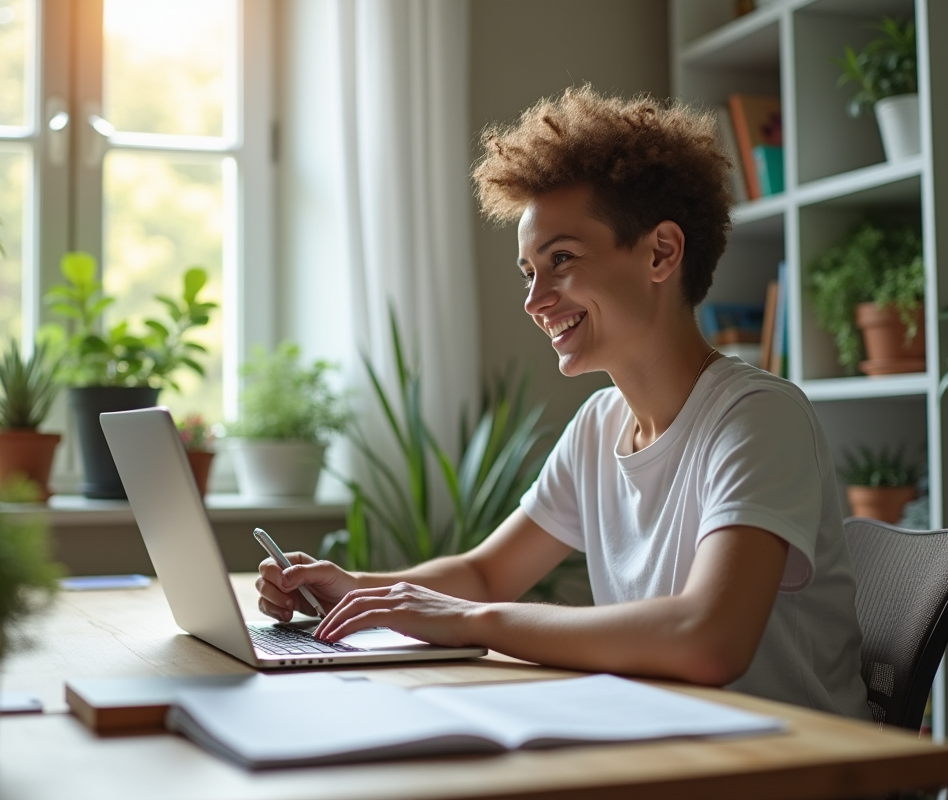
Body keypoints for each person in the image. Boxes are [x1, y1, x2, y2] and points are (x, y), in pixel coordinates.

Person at [256, 86, 870, 718]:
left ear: (661, 252)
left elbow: (708, 641)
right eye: (529, 272)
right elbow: (487, 574)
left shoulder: (757, 418)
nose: (535, 299)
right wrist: (358, 590)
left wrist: (473, 621)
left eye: (562, 260)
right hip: (666, 748)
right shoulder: (598, 426)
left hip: (787, 766)